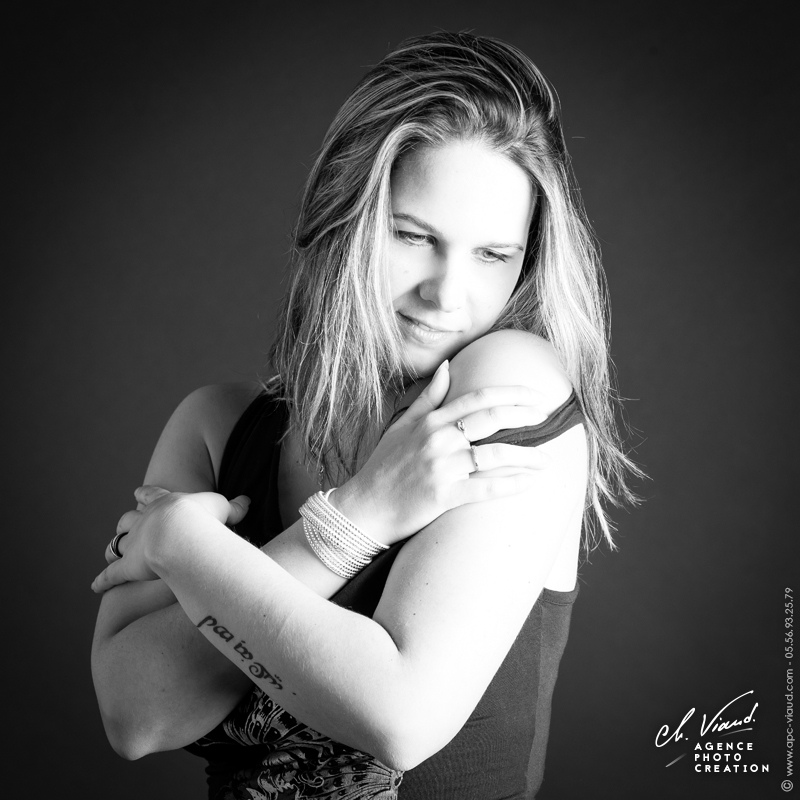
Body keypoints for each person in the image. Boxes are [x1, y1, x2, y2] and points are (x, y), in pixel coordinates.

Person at [91, 31, 637, 799]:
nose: (449, 294)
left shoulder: (511, 380)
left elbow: (402, 719)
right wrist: (361, 515)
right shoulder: (216, 426)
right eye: (414, 237)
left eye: (493, 255)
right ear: (342, 217)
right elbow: (135, 717)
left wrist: (185, 544)